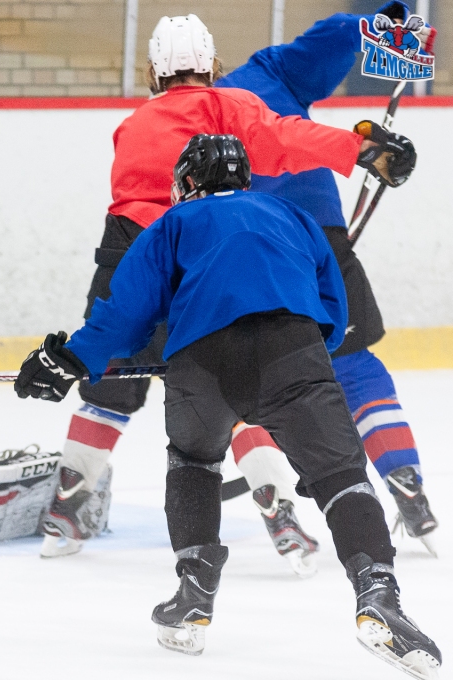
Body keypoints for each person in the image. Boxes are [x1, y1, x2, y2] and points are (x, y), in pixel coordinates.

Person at [16, 135, 440, 678]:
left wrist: (69, 359)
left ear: (187, 179)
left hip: (202, 363)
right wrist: (302, 371)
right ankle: (378, 594)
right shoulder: (291, 215)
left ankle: (193, 594)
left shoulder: (170, 224)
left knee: (193, 462)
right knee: (340, 475)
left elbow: (124, 317)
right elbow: (333, 308)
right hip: (296, 351)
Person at [40, 12, 417, 568]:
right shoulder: (226, 107)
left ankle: (67, 502)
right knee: (231, 380)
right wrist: (358, 150)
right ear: (212, 65)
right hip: (198, 261)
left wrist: (75, 353)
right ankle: (277, 508)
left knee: (109, 382)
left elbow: (139, 210)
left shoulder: (132, 125)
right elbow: (283, 138)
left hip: (126, 254)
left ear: (153, 71)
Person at [217, 0, 439, 555]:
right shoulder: (270, 71)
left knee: (248, 376)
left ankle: (277, 505)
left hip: (247, 250)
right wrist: (380, 24)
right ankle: (406, 480)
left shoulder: (188, 111)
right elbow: (337, 33)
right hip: (321, 239)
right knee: (354, 361)